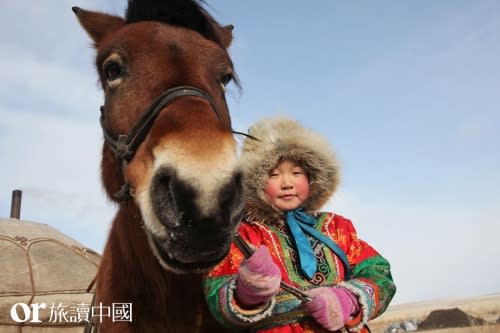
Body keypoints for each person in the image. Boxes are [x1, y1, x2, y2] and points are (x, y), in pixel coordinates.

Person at [204, 117, 396, 332]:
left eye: (296, 173)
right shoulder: (244, 235)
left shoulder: (338, 229)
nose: (287, 183)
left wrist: (347, 298)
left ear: (312, 178)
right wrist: (245, 291)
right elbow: (215, 293)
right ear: (254, 183)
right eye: (273, 174)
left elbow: (380, 275)